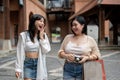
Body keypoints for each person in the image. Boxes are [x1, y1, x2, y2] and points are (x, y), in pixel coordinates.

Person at [58, 16, 101, 80]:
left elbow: (97, 55)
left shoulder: (90, 39)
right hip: (68, 68)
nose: (73, 27)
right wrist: (67, 56)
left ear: (82, 25)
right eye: (72, 25)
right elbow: (60, 52)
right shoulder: (67, 38)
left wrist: (87, 58)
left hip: (84, 69)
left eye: (75, 25)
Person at [15, 14, 51, 80]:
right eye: (40, 21)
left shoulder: (43, 35)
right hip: (28, 64)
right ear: (33, 21)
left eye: (43, 22)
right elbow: (19, 52)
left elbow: (46, 50)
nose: (42, 23)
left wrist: (41, 38)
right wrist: (18, 68)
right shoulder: (24, 35)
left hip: (39, 64)